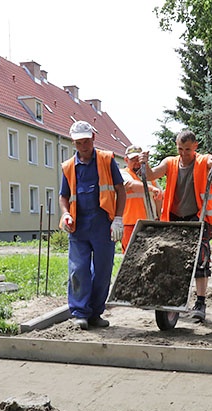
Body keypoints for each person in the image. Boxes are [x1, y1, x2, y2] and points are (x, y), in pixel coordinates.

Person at [142, 130, 212, 323]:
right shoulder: (170, 162)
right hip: (174, 219)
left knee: (200, 261)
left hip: (197, 218)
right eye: (180, 149)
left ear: (195, 147)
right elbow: (150, 174)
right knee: (171, 260)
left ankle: (200, 302)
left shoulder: (202, 161)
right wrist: (144, 162)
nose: (183, 153)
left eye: (187, 149)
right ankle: (173, 298)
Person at [59, 120, 127, 330]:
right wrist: (66, 214)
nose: (83, 147)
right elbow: (64, 196)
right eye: (79, 143)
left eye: (86, 142)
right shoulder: (69, 166)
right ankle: (80, 312)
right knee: (78, 270)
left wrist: (118, 218)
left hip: (102, 225)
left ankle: (96, 313)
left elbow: (120, 190)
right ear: (73, 143)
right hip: (78, 227)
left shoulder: (106, 160)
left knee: (103, 270)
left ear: (93, 139)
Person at [119, 145, 163, 252]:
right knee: (130, 256)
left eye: (138, 159)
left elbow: (159, 198)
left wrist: (160, 219)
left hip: (149, 223)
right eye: (132, 159)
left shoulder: (149, 176)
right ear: (126, 160)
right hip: (130, 224)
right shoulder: (123, 173)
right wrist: (152, 188)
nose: (136, 162)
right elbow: (131, 185)